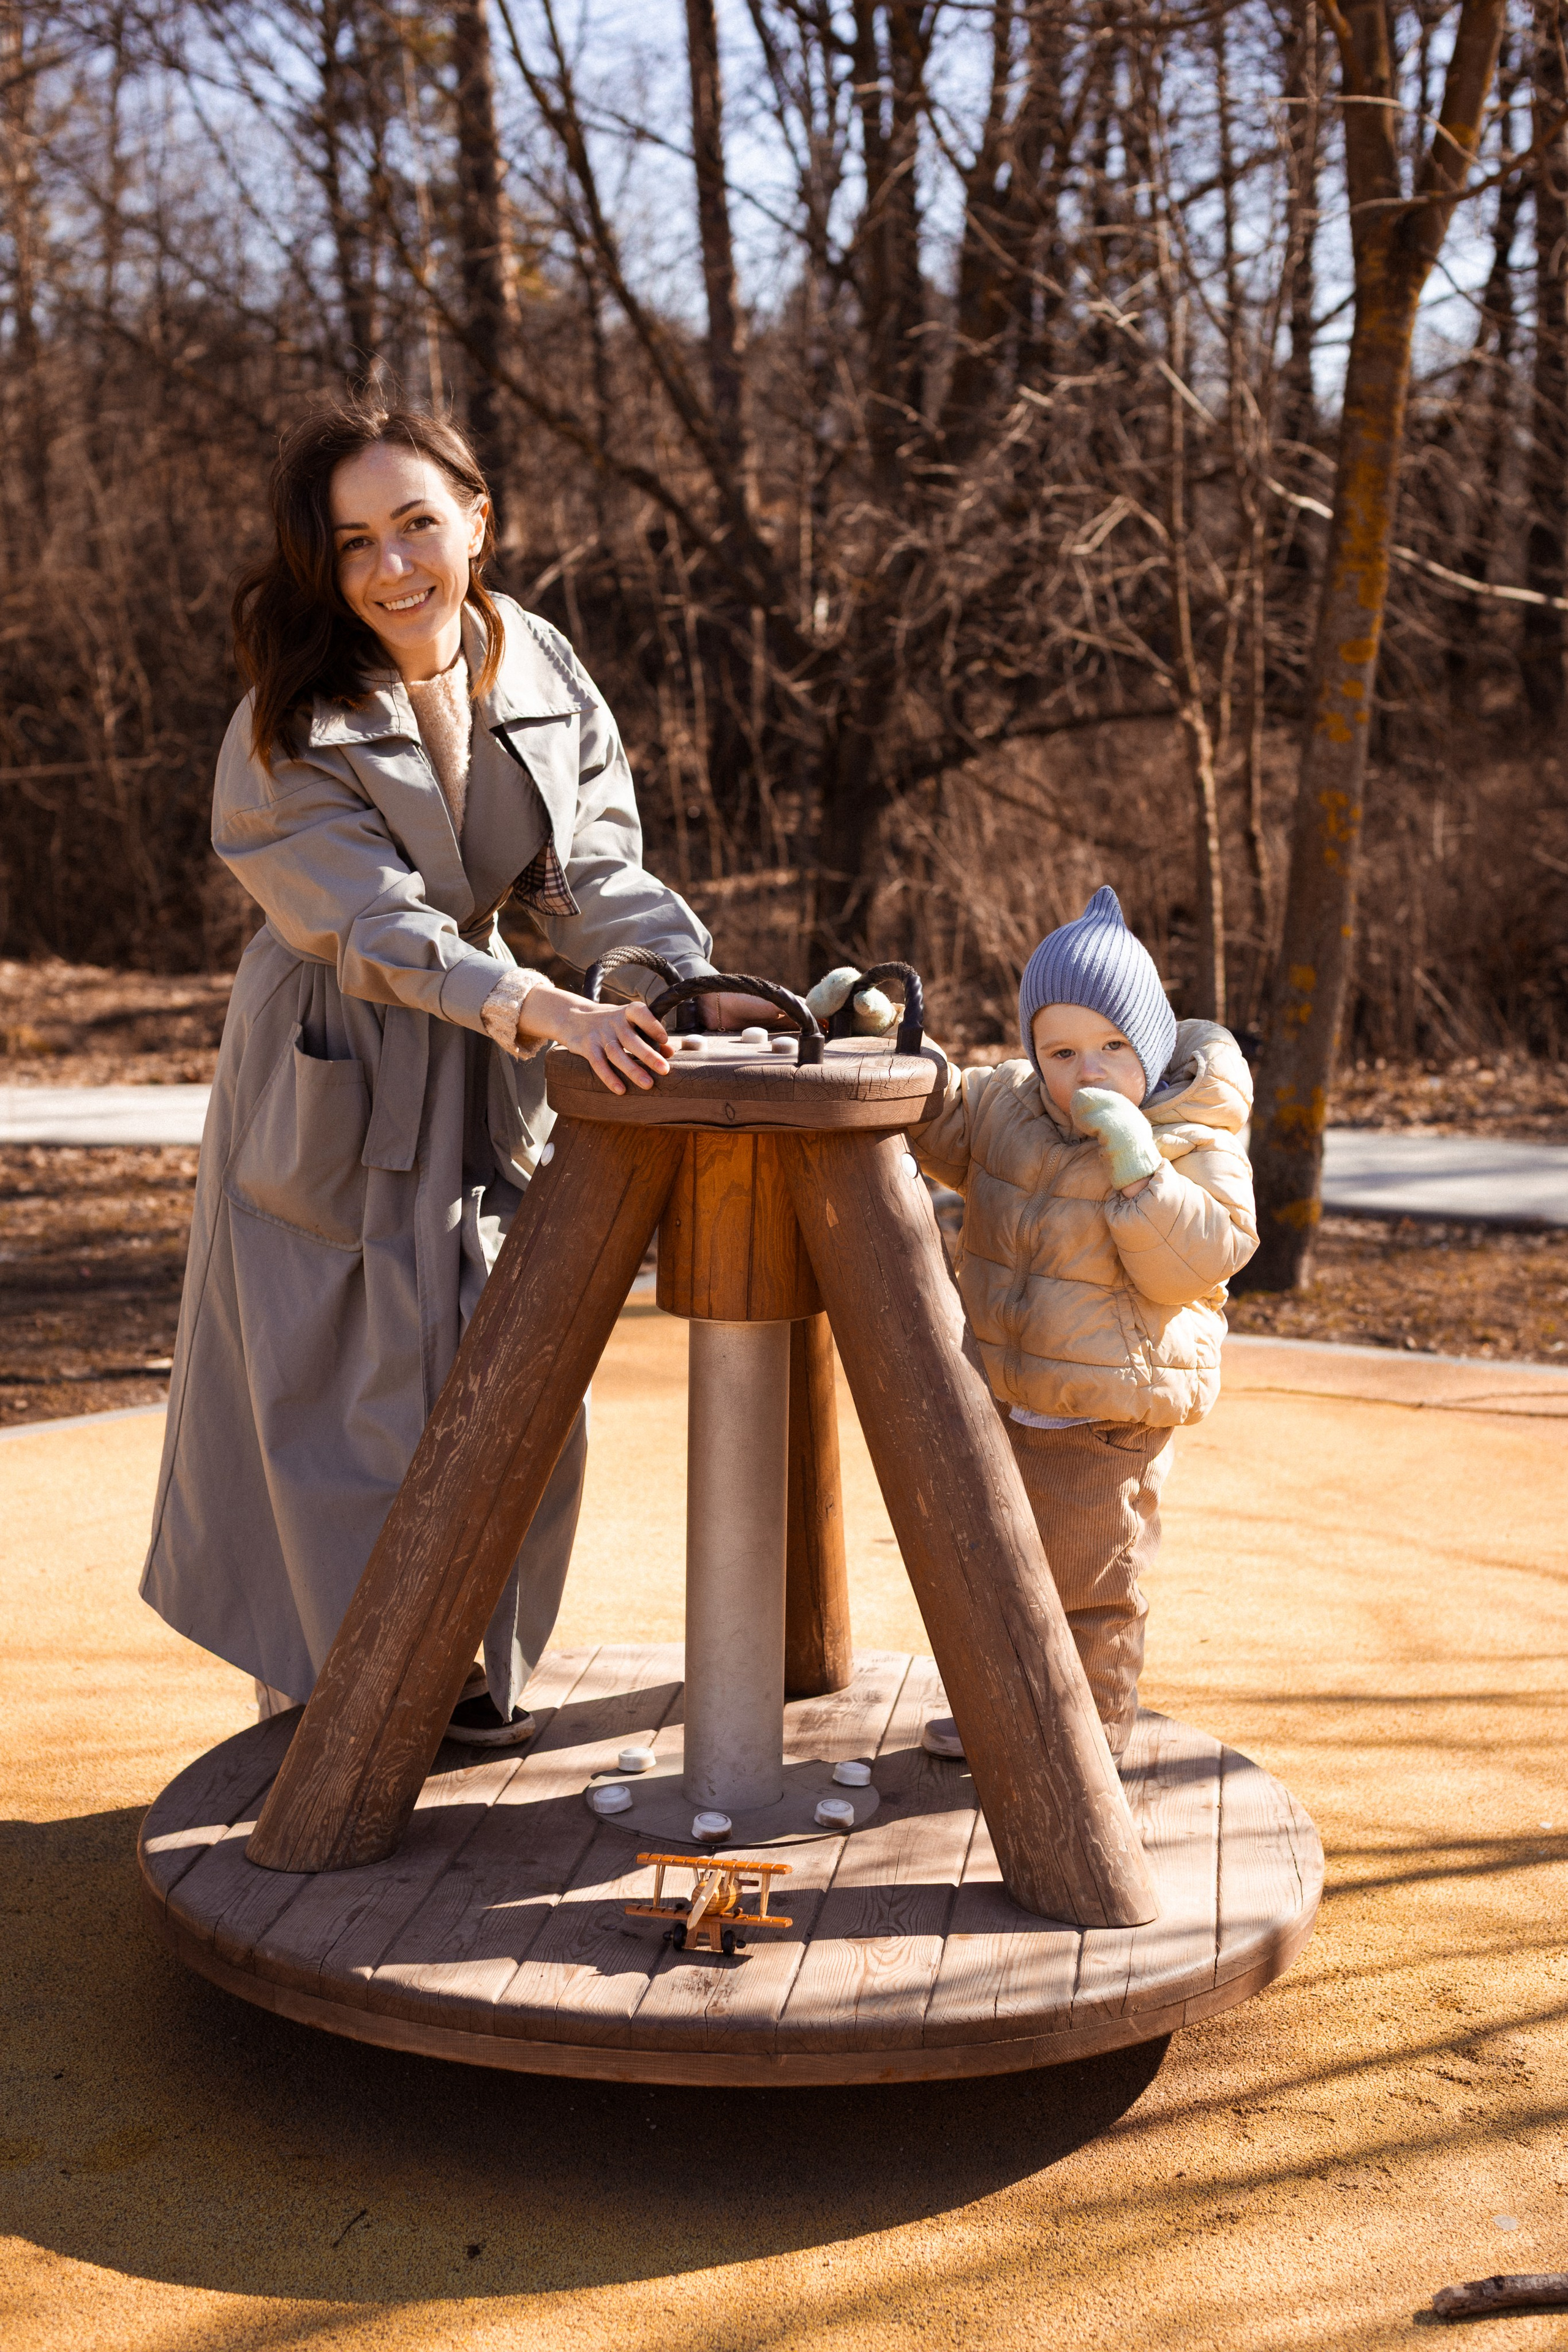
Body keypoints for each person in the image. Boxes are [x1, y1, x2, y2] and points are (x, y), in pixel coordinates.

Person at [141, 401, 765, 1747]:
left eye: (416, 523)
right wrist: (538, 1005)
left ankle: (472, 1674)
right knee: (344, 1400)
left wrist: (669, 979)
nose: (391, 567)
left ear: (477, 520)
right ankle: (331, 1702)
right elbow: (370, 926)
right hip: (337, 1063)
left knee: (511, 1370)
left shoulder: (537, 662)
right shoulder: (285, 718)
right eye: (353, 540)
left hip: (500, 1066)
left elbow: (584, 874)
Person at [905, 886, 1259, 1759]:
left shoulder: (1189, 1138)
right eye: (1060, 1052)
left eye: (1112, 1048)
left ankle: (1085, 1747)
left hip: (1109, 1411)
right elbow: (942, 1116)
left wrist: (1138, 1168)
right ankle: (1002, 1713)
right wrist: (891, 1041)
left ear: (1152, 1044)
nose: (1086, 1073)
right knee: (998, 1570)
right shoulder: (1015, 1108)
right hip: (1011, 1394)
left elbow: (1204, 1256)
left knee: (1091, 1584)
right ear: (1034, 1053)